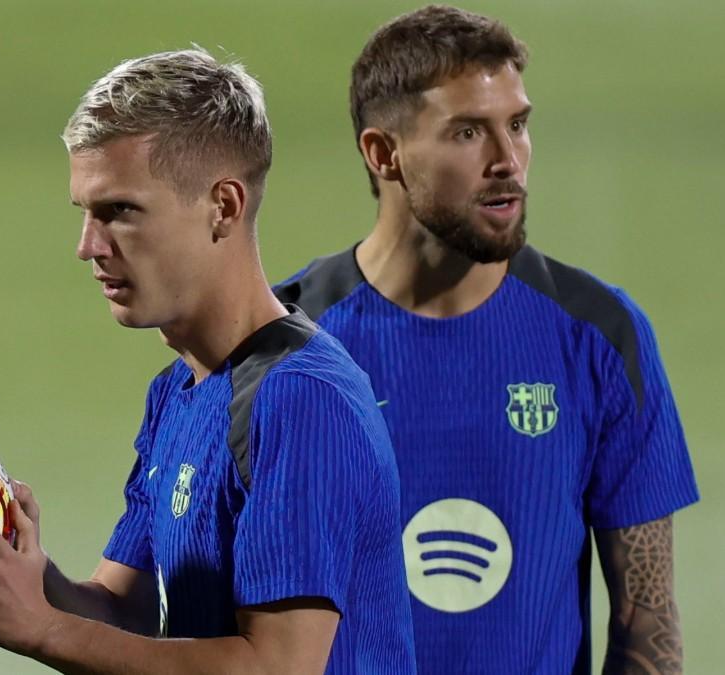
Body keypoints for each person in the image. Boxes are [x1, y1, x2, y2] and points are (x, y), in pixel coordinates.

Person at [0, 48, 416, 675]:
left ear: (222, 206)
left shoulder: (300, 397)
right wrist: (12, 569)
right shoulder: (180, 391)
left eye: (120, 211)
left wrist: (44, 630)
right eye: (85, 213)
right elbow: (125, 613)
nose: (88, 246)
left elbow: (277, 667)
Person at [275, 6, 700, 674]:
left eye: (519, 125)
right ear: (382, 153)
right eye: (468, 132)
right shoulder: (283, 344)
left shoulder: (601, 336)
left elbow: (646, 626)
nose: (508, 161)